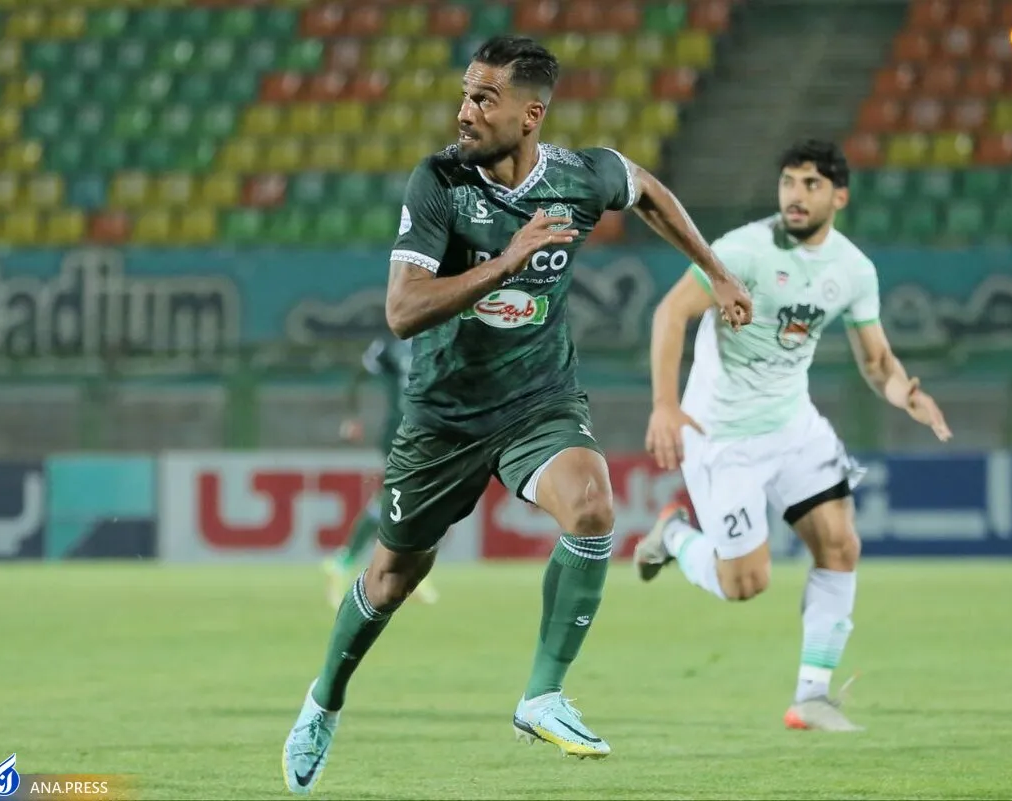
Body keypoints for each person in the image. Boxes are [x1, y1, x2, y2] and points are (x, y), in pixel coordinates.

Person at [282, 34, 753, 793]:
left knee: (593, 506)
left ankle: (542, 696)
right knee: (392, 578)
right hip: (444, 416)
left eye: (484, 98)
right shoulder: (439, 182)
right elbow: (402, 311)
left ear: (530, 115)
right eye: (465, 95)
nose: (464, 111)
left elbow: (646, 191)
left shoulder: (579, 176)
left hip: (539, 399)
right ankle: (323, 701)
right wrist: (508, 260)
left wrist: (716, 271)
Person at [633, 139, 952, 733]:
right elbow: (670, 313)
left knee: (841, 545)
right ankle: (674, 536)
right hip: (722, 435)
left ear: (839, 197)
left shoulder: (853, 270)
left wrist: (905, 392)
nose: (796, 196)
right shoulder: (742, 251)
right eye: (788, 182)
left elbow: (877, 362)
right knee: (745, 584)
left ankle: (811, 697)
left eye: (811, 184)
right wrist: (664, 406)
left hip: (793, 426)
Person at [324, 335, 440, 608]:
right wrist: (352, 416)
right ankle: (347, 561)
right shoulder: (390, 346)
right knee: (401, 498)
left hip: (428, 433)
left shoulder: (439, 343)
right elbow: (359, 375)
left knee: (412, 501)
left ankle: (398, 567)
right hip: (399, 432)